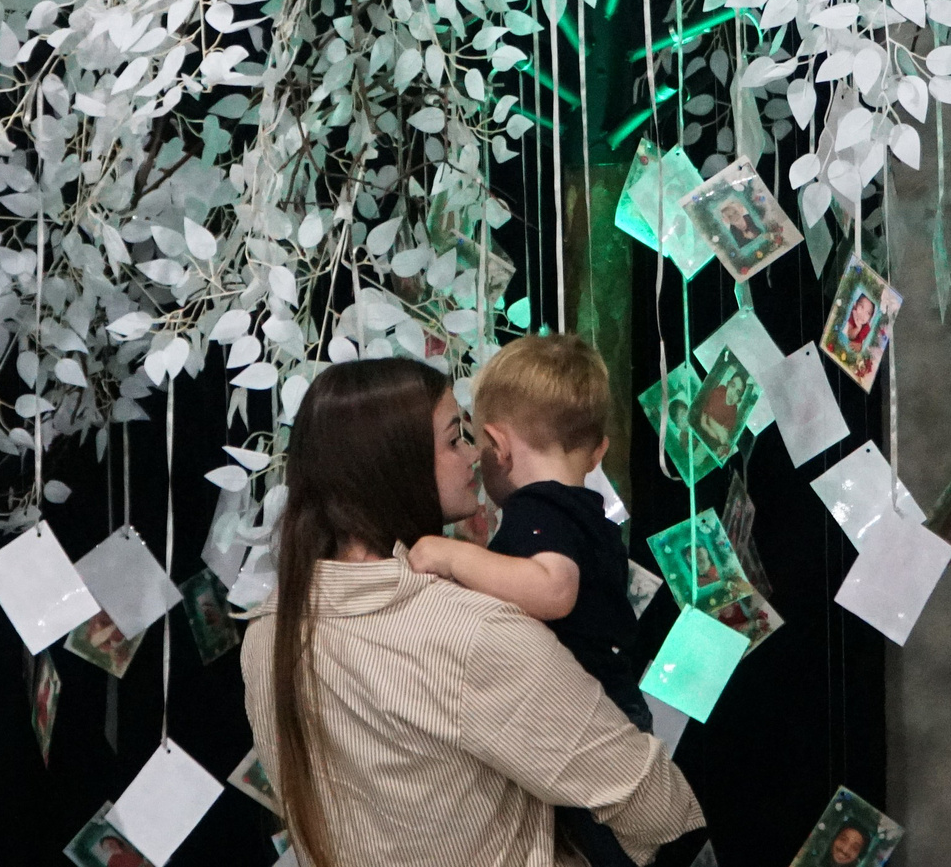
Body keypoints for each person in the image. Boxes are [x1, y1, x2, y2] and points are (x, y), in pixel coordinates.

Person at [243, 358, 701, 867]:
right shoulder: (470, 630)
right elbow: (655, 801)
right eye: (454, 438)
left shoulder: (266, 633)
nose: (474, 455)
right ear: (395, 462)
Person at [407, 337, 649, 867]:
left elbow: (553, 590)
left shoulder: (539, 509)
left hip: (592, 713)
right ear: (599, 449)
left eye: (472, 443)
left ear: (499, 444)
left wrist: (452, 558)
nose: (472, 459)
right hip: (613, 706)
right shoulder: (584, 511)